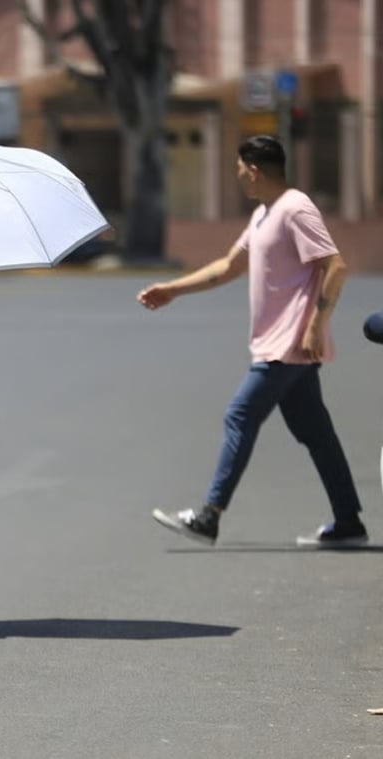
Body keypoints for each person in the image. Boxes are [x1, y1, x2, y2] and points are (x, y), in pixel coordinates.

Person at [138, 135, 367, 548]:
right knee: (317, 434)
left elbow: (335, 265)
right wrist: (173, 289)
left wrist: (316, 324)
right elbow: (228, 266)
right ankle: (348, 521)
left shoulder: (295, 208)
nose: (238, 176)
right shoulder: (265, 214)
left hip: (287, 346)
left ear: (254, 170)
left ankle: (209, 517)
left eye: (240, 169)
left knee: (240, 416)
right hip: (283, 347)